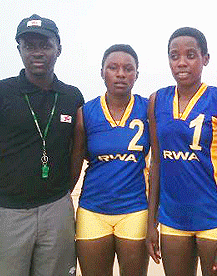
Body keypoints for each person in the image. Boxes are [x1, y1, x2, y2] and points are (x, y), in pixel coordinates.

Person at [0, 14, 84, 275]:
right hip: (7, 213)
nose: (37, 52)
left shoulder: (71, 96)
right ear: (19, 49)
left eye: (45, 45)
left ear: (59, 49)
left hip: (57, 211)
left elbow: (77, 152)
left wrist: (64, 192)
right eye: (29, 46)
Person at [146, 27, 217, 276]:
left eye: (190, 55)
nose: (181, 63)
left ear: (205, 59)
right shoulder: (157, 100)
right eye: (174, 56)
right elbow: (156, 163)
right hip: (172, 218)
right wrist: (150, 224)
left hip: (212, 216)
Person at [72, 44, 150, 276]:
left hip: (134, 209)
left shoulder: (149, 108)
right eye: (113, 67)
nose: (120, 73)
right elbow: (76, 161)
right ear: (102, 72)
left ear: (137, 74)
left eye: (128, 68)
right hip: (93, 208)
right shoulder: (86, 112)